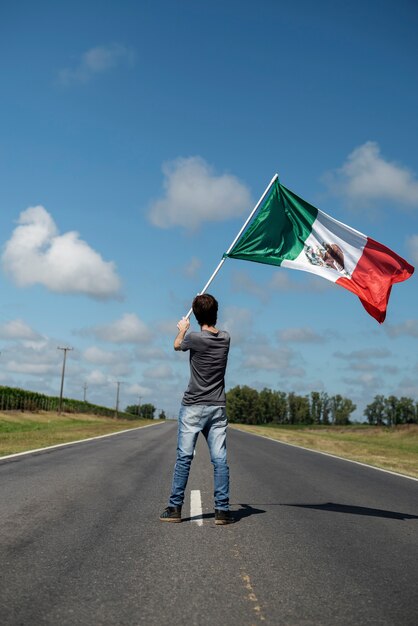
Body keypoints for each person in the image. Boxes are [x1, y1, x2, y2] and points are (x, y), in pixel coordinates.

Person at [159, 293, 233, 525]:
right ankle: (221, 510)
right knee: (219, 459)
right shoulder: (226, 338)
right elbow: (214, 330)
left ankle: (175, 508)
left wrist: (182, 327)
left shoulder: (193, 338)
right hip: (217, 407)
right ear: (216, 314)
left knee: (184, 457)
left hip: (192, 406)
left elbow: (176, 345)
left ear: (197, 315)